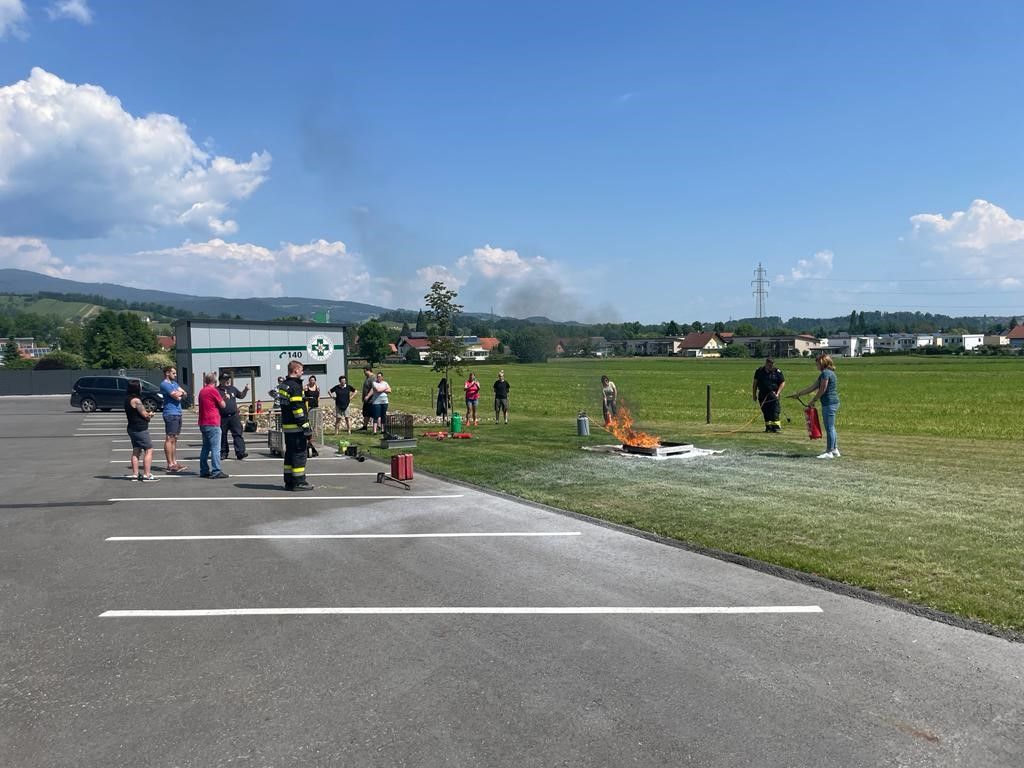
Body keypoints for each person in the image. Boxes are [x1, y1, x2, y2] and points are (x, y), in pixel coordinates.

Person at [789, 354, 841, 459]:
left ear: (822, 363)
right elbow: (812, 387)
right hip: (831, 403)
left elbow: (822, 389)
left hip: (829, 403)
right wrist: (798, 394)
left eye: (817, 363)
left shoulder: (826, 373)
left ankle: (829, 452)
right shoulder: (826, 373)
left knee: (829, 427)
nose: (816, 365)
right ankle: (834, 449)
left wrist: (814, 400)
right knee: (831, 427)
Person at [278, 360, 314, 491]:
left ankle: (289, 481)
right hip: (296, 427)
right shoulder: (295, 386)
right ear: (296, 370)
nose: (303, 372)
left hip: (287, 427)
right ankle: (299, 481)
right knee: (299, 454)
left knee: (290, 454)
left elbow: (288, 404)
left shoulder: (283, 385)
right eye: (302, 370)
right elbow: (297, 409)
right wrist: (306, 428)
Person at [125, 379, 159, 482]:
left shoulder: (127, 398)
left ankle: (135, 474)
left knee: (136, 450)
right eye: (140, 386)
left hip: (131, 427)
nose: (141, 388)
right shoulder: (136, 400)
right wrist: (151, 414)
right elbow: (144, 414)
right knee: (149, 449)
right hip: (140, 428)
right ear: (137, 388)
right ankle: (147, 475)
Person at [197, 372, 229, 478]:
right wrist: (225, 398)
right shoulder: (213, 391)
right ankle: (216, 470)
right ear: (214, 381)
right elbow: (222, 405)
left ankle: (204, 470)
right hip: (212, 422)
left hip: (203, 422)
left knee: (205, 447)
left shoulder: (202, 391)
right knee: (216, 448)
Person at [159, 365, 187, 473]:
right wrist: (179, 394)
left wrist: (180, 393)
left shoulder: (174, 384)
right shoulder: (164, 384)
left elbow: (184, 393)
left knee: (175, 439)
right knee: (169, 438)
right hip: (170, 413)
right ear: (167, 373)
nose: (175, 375)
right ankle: (170, 464)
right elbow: (176, 396)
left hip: (178, 413)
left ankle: (174, 462)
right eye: (173, 373)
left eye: (175, 373)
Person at [217, 372, 249, 460]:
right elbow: (215, 403)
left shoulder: (232, 389)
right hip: (222, 416)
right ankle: (223, 452)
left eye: (228, 379)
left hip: (234, 416)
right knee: (223, 435)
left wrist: (245, 390)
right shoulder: (217, 390)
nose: (227, 381)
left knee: (238, 434)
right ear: (220, 380)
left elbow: (241, 396)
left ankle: (240, 452)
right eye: (225, 379)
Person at [753, 357, 786, 433]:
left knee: (775, 411)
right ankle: (768, 427)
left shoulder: (777, 371)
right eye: (769, 365)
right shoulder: (759, 371)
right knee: (766, 411)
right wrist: (754, 394)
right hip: (762, 394)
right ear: (766, 364)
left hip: (773, 394)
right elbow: (755, 383)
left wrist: (778, 393)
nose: (771, 367)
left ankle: (776, 428)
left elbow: (782, 382)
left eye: (772, 365)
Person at [304, 374, 321, 457]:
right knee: (308, 421)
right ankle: (309, 434)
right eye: (311, 380)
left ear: (315, 381)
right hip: (308, 407)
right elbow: (303, 395)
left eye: (313, 380)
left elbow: (318, 396)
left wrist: (318, 402)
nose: (312, 381)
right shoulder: (306, 387)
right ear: (309, 381)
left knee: (315, 420)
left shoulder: (317, 387)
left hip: (315, 406)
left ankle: (315, 433)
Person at [359, 366, 375, 430]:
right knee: (366, 413)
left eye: (364, 371)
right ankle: (364, 426)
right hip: (367, 400)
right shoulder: (367, 378)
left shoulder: (373, 378)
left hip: (371, 400)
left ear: (368, 370)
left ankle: (377, 426)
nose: (364, 372)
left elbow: (373, 388)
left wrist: (368, 396)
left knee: (373, 413)